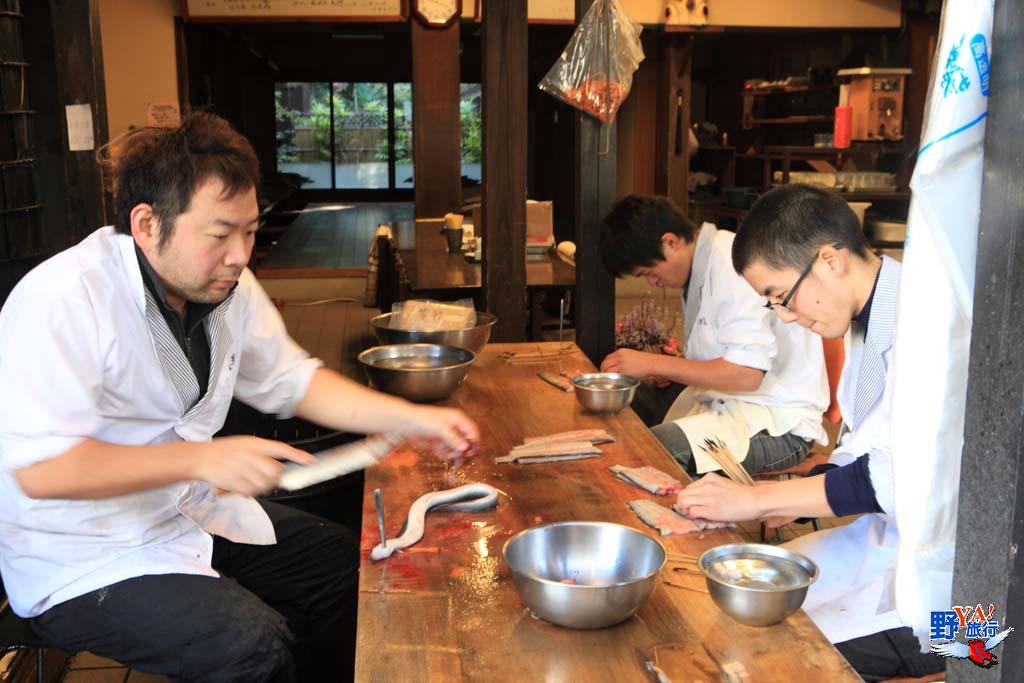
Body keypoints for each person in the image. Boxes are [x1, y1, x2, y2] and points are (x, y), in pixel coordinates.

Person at [0, 113, 479, 682]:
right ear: (148, 224)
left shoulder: (226, 287)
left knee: (339, 570)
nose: (240, 255)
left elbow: (292, 380)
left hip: (183, 510)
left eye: (250, 232)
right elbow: (42, 471)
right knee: (249, 646)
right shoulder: (63, 299)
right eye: (221, 234)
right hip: (82, 555)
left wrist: (414, 417)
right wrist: (202, 457)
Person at [675, 184, 943, 680]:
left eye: (782, 297)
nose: (789, 317)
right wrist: (787, 499)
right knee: (744, 599)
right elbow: (863, 451)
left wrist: (754, 500)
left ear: (830, 261)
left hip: (971, 607)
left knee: (775, 655)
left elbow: (902, 481)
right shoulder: (868, 316)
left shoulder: (929, 323)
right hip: (895, 546)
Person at [598, 195, 828, 476]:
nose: (652, 282)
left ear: (670, 242)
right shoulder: (701, 267)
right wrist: (674, 368)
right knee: (626, 406)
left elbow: (747, 374)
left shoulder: (731, 264)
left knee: (658, 451)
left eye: (649, 273)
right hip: (731, 404)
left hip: (778, 425)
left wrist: (652, 363)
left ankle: (684, 516)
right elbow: (725, 347)